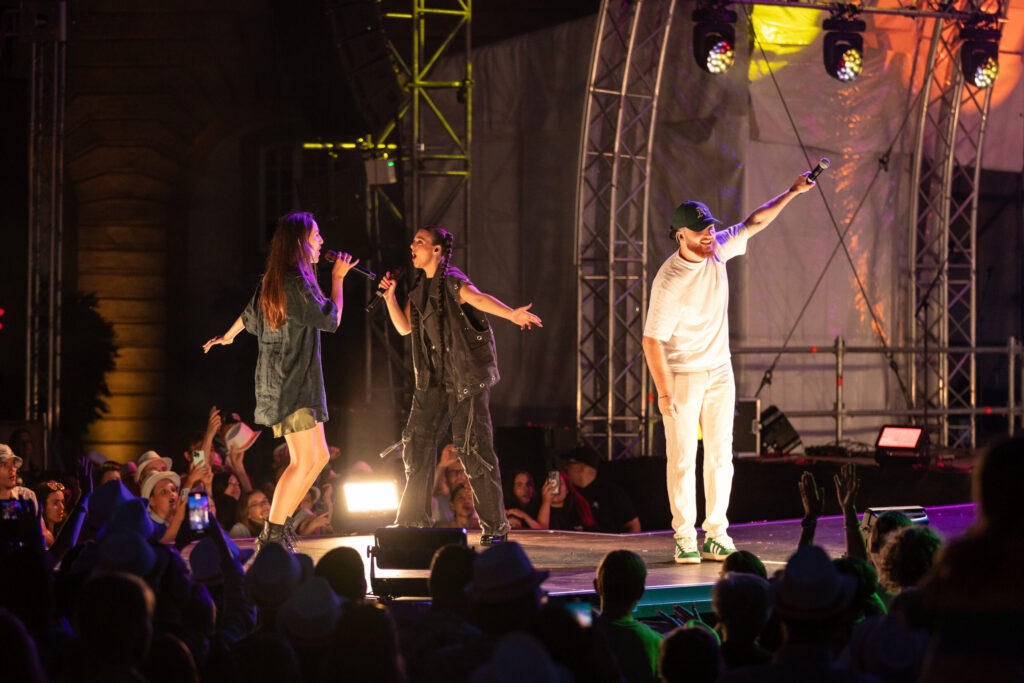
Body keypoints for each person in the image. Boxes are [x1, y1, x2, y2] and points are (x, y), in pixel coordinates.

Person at [643, 174, 815, 564]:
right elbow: (651, 340)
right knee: (683, 456)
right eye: (701, 233)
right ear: (680, 235)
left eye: (711, 230)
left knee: (720, 454)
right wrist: (664, 392)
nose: (709, 237)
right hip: (683, 373)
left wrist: (791, 192)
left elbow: (754, 223)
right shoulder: (669, 281)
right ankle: (684, 535)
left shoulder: (718, 249)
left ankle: (716, 533)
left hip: (720, 369)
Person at [203, 211, 358, 551]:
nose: (321, 242)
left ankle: (279, 526)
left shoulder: (278, 280)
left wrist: (227, 337)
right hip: (292, 384)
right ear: (301, 242)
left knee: (318, 459)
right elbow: (331, 319)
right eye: (316, 236)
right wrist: (338, 278)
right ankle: (272, 534)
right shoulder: (296, 284)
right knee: (304, 460)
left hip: (291, 381)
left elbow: (248, 314)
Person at [380, 225, 542, 545]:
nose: (413, 246)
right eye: (413, 241)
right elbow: (403, 328)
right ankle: (413, 519)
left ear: (437, 250)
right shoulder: (420, 287)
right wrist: (389, 297)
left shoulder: (452, 279)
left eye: (421, 242)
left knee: (472, 449)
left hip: (465, 377)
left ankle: (495, 527)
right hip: (434, 380)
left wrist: (511, 315)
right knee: (417, 441)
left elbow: (477, 298)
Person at [562, 444, 641, 533]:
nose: (566, 467)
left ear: (581, 467)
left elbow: (633, 526)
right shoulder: (565, 492)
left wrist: (624, 545)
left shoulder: (611, 493)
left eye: (569, 463)